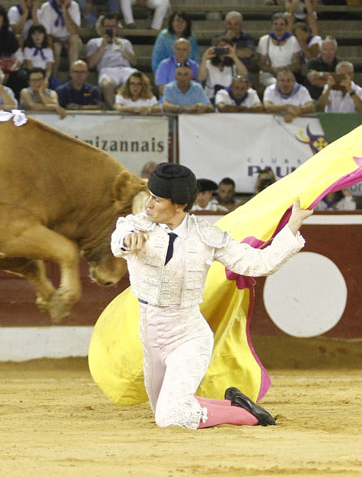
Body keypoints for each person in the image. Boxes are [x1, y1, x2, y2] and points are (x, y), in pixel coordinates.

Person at [111, 162, 309, 430]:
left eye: (157, 199)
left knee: (171, 417)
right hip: (151, 338)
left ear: (179, 205)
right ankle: (235, 405)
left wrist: (293, 226)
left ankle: (250, 417)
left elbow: (259, 264)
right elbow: (119, 239)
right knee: (163, 408)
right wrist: (126, 240)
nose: (148, 204)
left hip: (188, 337)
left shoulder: (206, 237)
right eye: (150, 196)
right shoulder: (136, 226)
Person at [87, 14, 138, 106]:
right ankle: (115, 110)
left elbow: (134, 61)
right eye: (107, 27)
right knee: (108, 85)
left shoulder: (125, 42)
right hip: (107, 69)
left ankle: (134, 109)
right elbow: (90, 64)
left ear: (117, 27)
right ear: (102, 28)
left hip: (125, 69)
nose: (110, 29)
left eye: (113, 26)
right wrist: (102, 47)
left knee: (137, 81)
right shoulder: (94, 42)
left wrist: (122, 48)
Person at [38, 0, 82, 73]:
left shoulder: (74, 6)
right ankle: (53, 76)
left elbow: (74, 30)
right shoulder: (46, 7)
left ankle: (73, 72)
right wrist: (61, 42)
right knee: (57, 46)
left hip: (69, 39)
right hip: (53, 39)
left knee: (75, 38)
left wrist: (65, 10)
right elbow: (47, 34)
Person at [257, 12, 301, 88]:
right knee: (275, 84)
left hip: (288, 74)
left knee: (288, 83)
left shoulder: (293, 40)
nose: (278, 27)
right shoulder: (264, 40)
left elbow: (296, 63)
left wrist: (284, 70)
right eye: (276, 24)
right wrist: (273, 70)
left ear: (286, 26)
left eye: (282, 24)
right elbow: (261, 64)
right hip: (269, 73)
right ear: (272, 25)